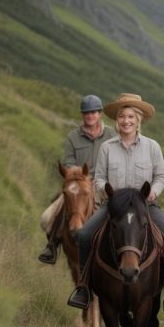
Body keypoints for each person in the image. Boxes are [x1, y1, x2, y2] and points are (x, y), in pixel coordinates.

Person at [66, 93, 164, 313]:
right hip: (114, 206)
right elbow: (99, 177)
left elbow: (161, 176)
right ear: (116, 120)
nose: (126, 121)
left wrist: (154, 193)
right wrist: (106, 193)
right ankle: (83, 287)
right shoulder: (107, 148)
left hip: (145, 206)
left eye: (130, 116)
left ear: (138, 119)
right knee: (84, 235)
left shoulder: (152, 147)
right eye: (122, 116)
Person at [37, 95, 117, 264]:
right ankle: (52, 245)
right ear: (82, 115)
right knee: (48, 216)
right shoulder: (73, 137)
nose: (90, 115)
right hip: (78, 183)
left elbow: (116, 158)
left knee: (121, 210)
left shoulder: (111, 134)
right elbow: (68, 161)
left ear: (100, 113)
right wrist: (80, 175)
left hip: (104, 182)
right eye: (86, 112)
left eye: (94, 112)